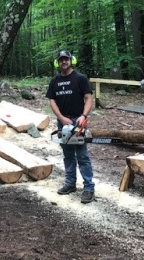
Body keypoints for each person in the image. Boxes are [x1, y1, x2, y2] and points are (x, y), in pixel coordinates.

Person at [46, 50, 95, 203]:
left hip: (77, 120)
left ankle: (89, 188)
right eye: (61, 60)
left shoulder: (80, 78)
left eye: (66, 59)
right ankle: (70, 183)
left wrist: (84, 116)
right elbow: (52, 100)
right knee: (68, 155)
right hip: (63, 121)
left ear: (71, 60)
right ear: (57, 62)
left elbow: (88, 98)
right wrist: (60, 117)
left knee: (82, 155)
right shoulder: (54, 81)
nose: (64, 62)